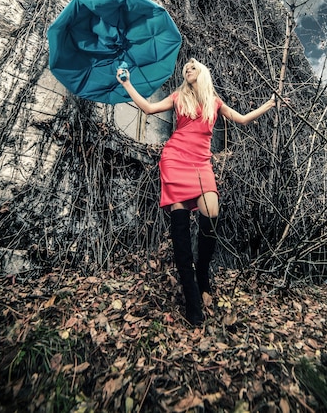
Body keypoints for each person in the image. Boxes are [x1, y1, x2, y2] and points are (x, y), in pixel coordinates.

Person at [117, 57, 288, 326]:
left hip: (201, 163)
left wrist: (269, 104)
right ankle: (192, 295)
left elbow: (242, 120)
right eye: (186, 67)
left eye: (193, 66)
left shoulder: (214, 102)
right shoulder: (177, 97)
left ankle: (203, 270)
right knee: (181, 227)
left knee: (211, 214)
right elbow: (148, 108)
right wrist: (126, 83)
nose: (188, 68)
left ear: (203, 73)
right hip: (174, 159)